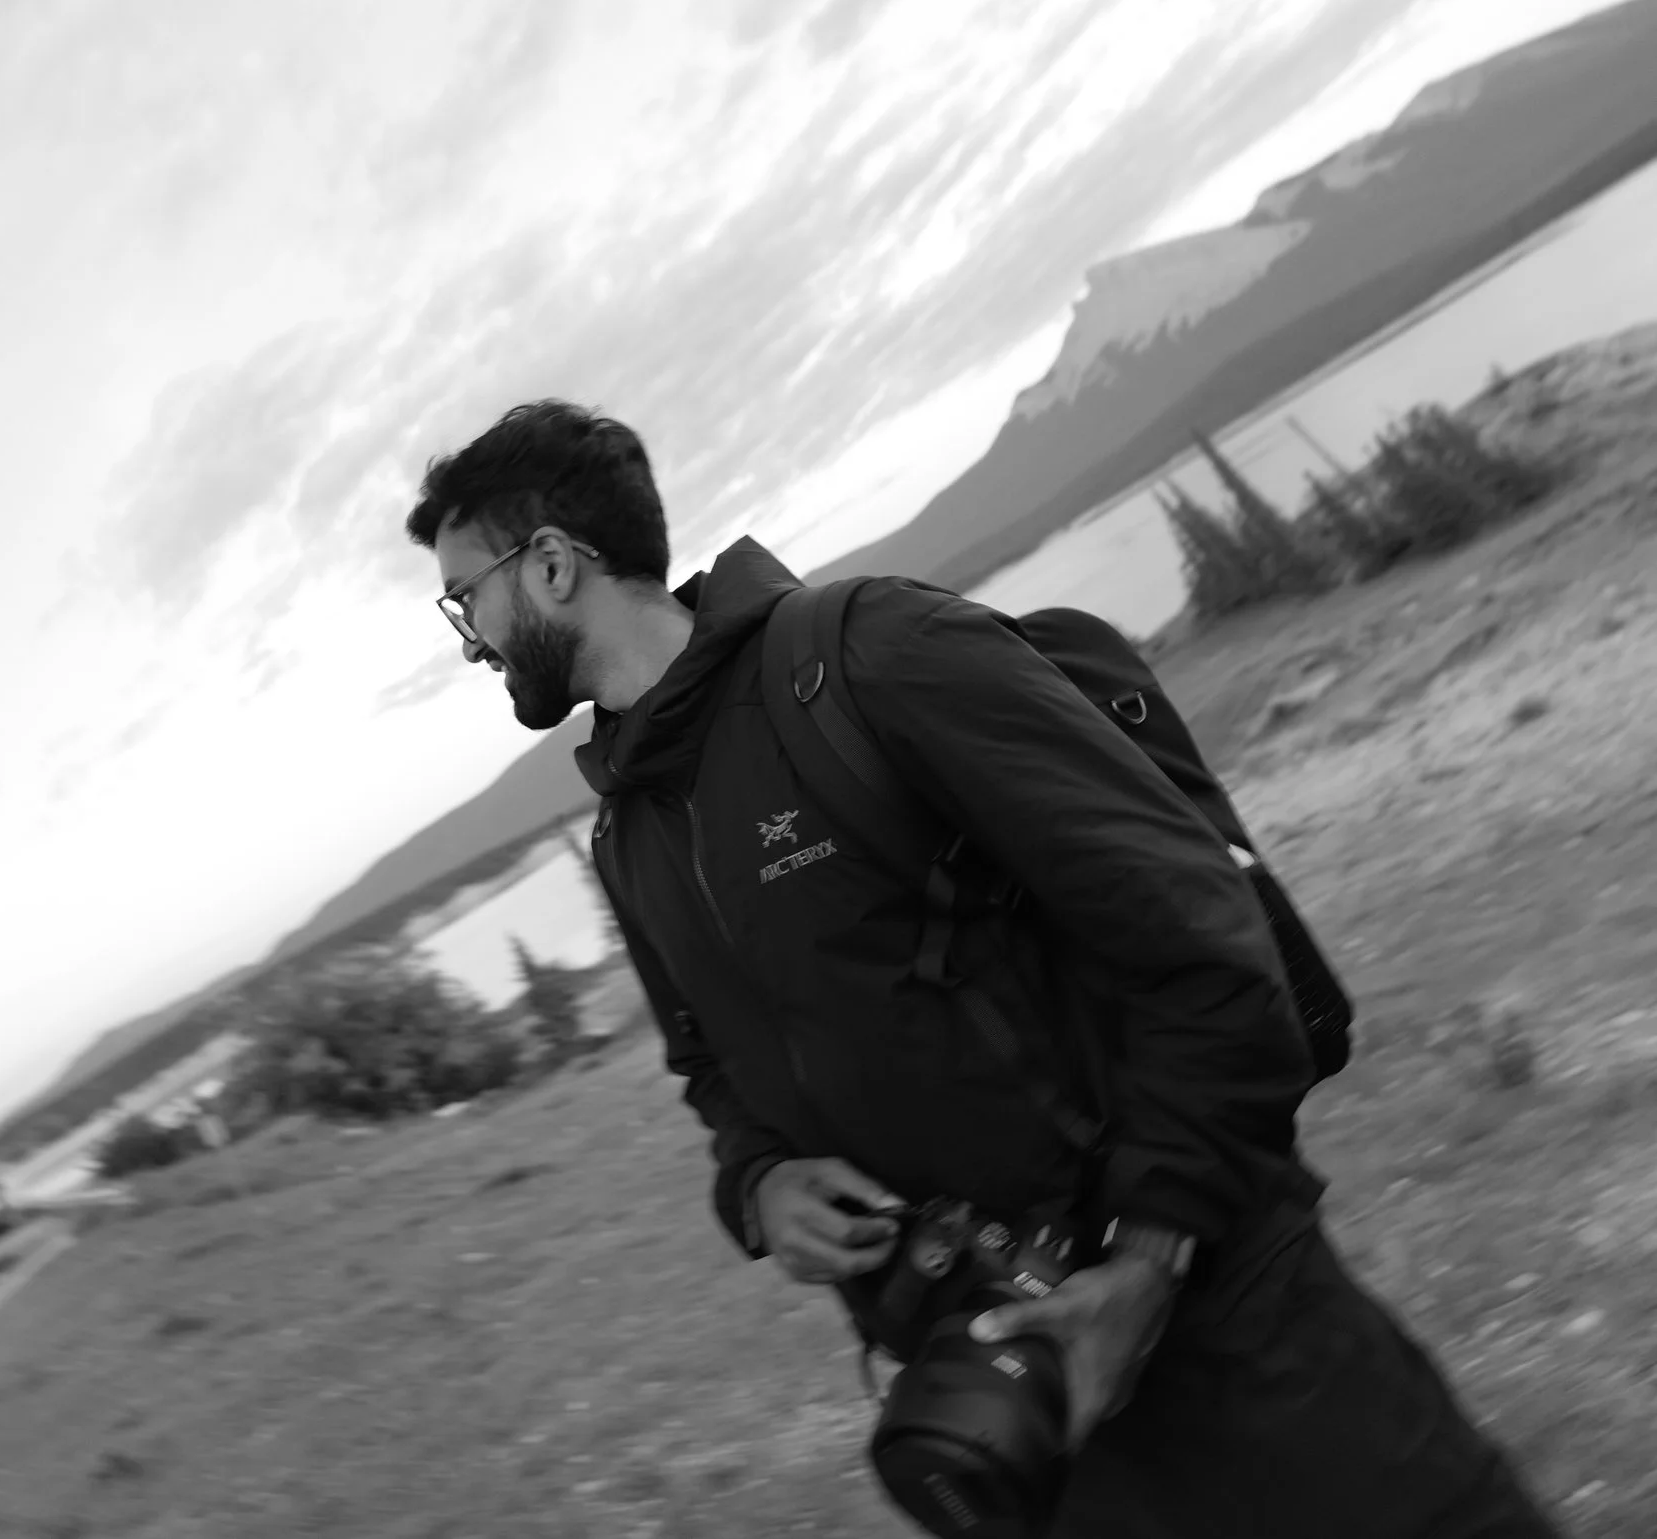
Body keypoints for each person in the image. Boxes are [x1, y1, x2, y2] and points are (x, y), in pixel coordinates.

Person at [402, 399, 1560, 1538]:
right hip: (1008, 1403)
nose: (469, 641)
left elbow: (1198, 930)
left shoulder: (872, 656)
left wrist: (1149, 1260)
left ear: (553, 566)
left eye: (468, 597)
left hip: (1225, 1317)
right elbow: (713, 1072)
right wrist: (759, 1185)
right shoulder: (633, 832)